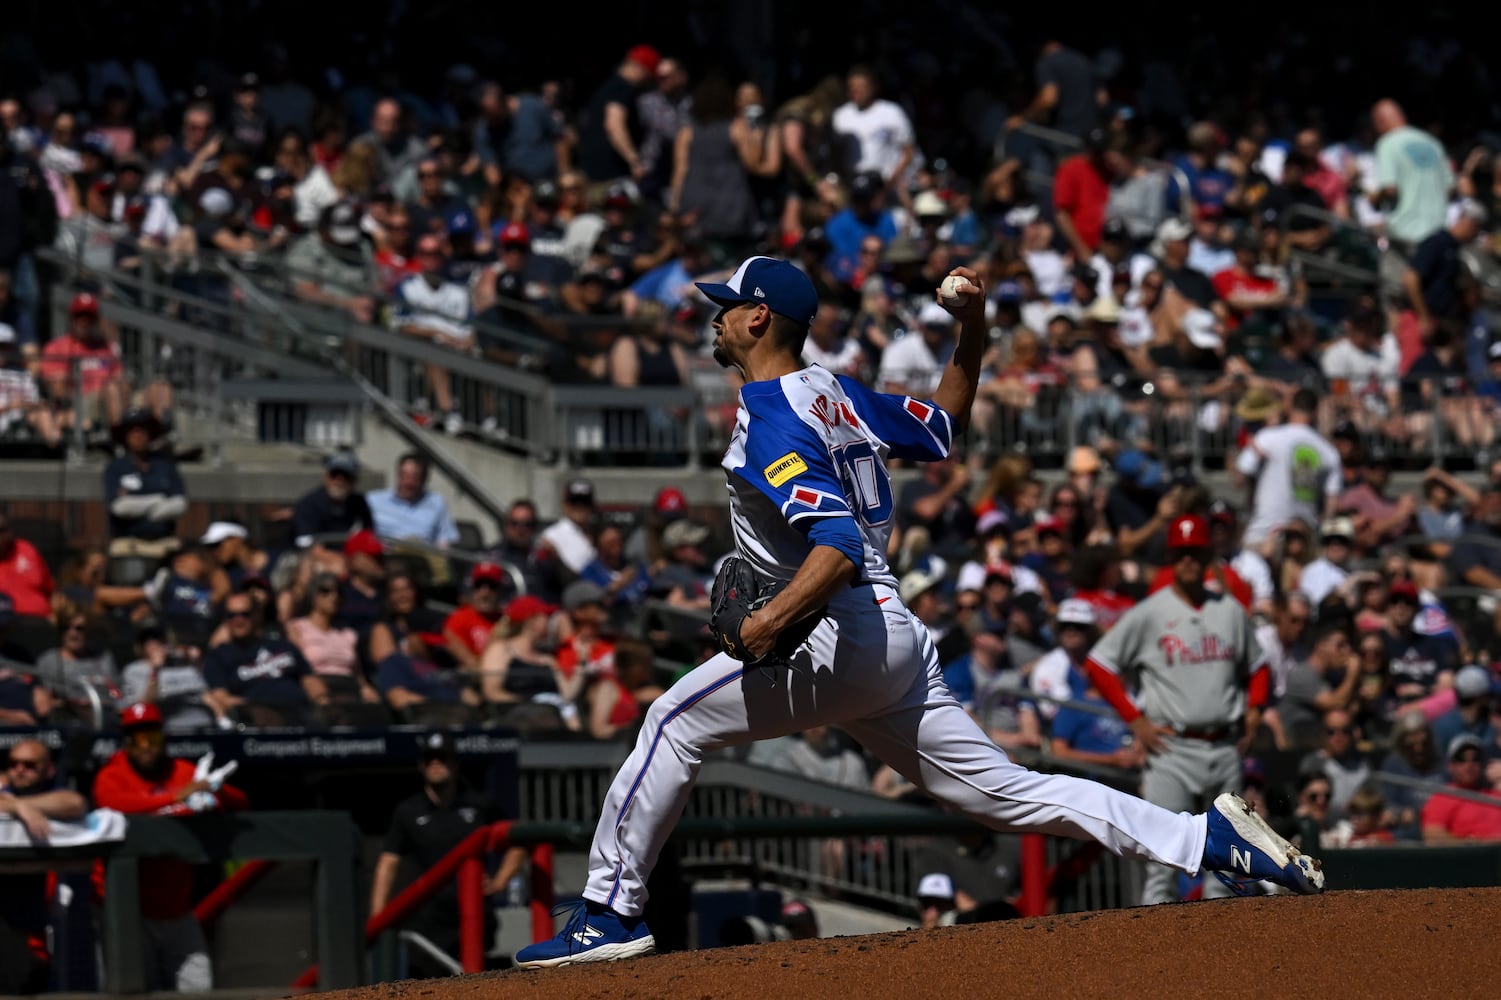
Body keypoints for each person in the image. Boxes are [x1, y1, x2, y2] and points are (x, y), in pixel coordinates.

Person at [514, 256, 1323, 969]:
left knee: (670, 722)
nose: (714, 316)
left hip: (837, 631)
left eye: (725, 304)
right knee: (1001, 793)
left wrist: (764, 625)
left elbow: (832, 545)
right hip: (891, 636)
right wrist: (970, 328)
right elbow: (944, 425)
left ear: (758, 316)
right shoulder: (831, 393)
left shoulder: (772, 416)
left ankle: (607, 915)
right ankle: (1201, 839)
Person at [1082, 513, 1270, 906]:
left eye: (1195, 552)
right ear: (1171, 556)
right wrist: (1136, 720)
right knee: (1162, 859)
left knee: (1231, 860)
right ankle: (1157, 956)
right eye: (1181, 553)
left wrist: (1254, 710)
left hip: (1223, 746)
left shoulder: (1230, 610)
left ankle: (1225, 949)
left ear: (1208, 555)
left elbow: (1259, 667)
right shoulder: (1151, 612)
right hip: (1171, 749)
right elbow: (1099, 665)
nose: (1188, 560)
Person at [92, 703, 247, 992]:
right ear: (127, 743)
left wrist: (215, 789)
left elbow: (241, 803)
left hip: (176, 906)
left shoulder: (182, 771)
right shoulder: (112, 775)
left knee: (199, 986)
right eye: (139, 739)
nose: (147, 746)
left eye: (153, 737)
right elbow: (115, 804)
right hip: (126, 908)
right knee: (133, 989)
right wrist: (178, 797)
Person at [369, 733, 519, 979]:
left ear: (455, 763)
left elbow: (516, 842)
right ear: (421, 765)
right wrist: (378, 917)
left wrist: (500, 881)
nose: (436, 764)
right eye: (429, 759)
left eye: (443, 758)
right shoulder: (408, 811)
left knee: (475, 985)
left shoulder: (479, 804)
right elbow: (388, 862)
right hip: (427, 921)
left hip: (474, 916)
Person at [0, 739, 88, 995]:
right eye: (13, 764)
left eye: (29, 765)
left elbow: (75, 804)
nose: (19, 770)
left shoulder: (53, 793)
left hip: (29, 920)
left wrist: (26, 805)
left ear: (48, 770)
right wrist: (17, 806)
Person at [1233, 388, 1342, 551]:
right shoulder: (1328, 451)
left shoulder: (1267, 437)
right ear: (1316, 411)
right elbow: (1332, 504)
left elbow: (1240, 477)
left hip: (1263, 532)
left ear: (1290, 406)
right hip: (1304, 537)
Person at [204, 589, 330, 726]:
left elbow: (310, 679)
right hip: (259, 721)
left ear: (256, 615)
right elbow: (221, 698)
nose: (238, 620)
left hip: (301, 714)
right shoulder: (217, 656)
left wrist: (322, 701)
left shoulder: (283, 645)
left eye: (245, 614)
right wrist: (256, 707)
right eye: (231, 615)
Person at [104, 407, 186, 555]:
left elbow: (180, 504)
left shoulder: (166, 465)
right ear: (125, 435)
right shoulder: (116, 467)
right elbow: (119, 507)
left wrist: (138, 506)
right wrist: (158, 501)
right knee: (118, 552)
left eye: (142, 429)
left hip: (163, 540)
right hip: (128, 541)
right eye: (132, 430)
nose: (138, 435)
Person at [367, 452, 459, 548]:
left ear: (424, 480)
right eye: (404, 475)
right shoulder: (373, 500)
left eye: (414, 477)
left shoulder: (436, 503)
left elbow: (444, 540)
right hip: (381, 556)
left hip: (419, 558)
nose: (408, 482)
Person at [1421, 734, 1501, 843]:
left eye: (1475, 759)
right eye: (1461, 759)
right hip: (1469, 856)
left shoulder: (1495, 794)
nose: (1469, 765)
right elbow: (1432, 835)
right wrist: (1472, 845)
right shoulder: (1443, 797)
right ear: (1450, 766)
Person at [291, 451, 373, 549]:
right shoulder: (309, 503)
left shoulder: (359, 503)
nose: (339, 480)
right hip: (314, 557)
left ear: (354, 480)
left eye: (346, 476)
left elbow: (369, 536)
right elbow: (305, 544)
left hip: (351, 556)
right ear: (326, 477)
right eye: (334, 474)